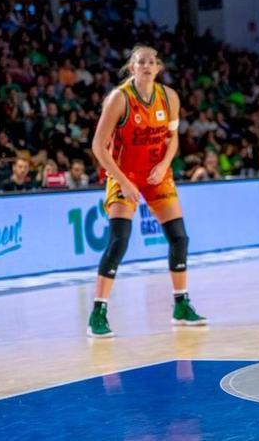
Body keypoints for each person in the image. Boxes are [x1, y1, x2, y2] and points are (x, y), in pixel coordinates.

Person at [87, 45, 205, 339]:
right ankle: (97, 313)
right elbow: (97, 146)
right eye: (141, 62)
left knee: (179, 237)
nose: (147, 66)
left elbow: (173, 139)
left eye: (152, 62)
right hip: (122, 174)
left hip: (156, 175)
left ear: (158, 67)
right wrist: (123, 182)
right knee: (118, 242)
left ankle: (181, 305)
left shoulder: (170, 97)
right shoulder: (119, 99)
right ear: (132, 67)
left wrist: (164, 164)